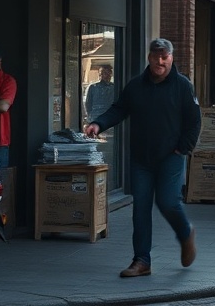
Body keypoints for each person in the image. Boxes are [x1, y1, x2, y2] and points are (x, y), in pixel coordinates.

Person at [84, 38, 201, 278]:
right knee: (141, 209)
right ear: (149, 57)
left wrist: (182, 148)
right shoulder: (136, 86)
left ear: (171, 58)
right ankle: (142, 260)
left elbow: (194, 121)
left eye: (165, 56)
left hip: (171, 156)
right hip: (141, 159)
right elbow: (119, 109)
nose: (160, 61)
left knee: (167, 201)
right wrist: (98, 123)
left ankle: (185, 232)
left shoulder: (182, 86)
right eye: (156, 55)